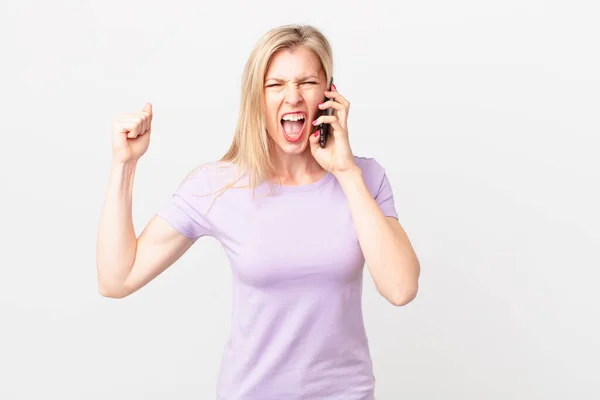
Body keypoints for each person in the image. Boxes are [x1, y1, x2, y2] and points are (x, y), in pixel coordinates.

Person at [97, 24, 420, 400]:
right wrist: (125, 164)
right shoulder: (219, 185)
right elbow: (116, 279)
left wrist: (345, 171)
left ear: (330, 93)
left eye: (308, 82)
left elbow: (401, 288)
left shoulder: (366, 178)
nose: (293, 97)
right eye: (276, 84)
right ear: (257, 98)